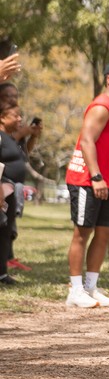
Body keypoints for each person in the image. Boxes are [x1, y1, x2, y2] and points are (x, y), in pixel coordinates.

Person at [64, 61, 109, 308]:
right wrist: (96, 177)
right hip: (86, 179)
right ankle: (74, 291)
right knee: (82, 233)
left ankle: (90, 287)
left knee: (105, 232)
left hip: (105, 181)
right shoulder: (101, 106)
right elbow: (86, 141)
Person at [0, 102, 27, 285]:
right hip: (2, 189)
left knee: (5, 232)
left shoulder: (10, 138)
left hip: (10, 191)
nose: (20, 119)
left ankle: (2, 273)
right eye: (15, 115)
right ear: (2, 117)